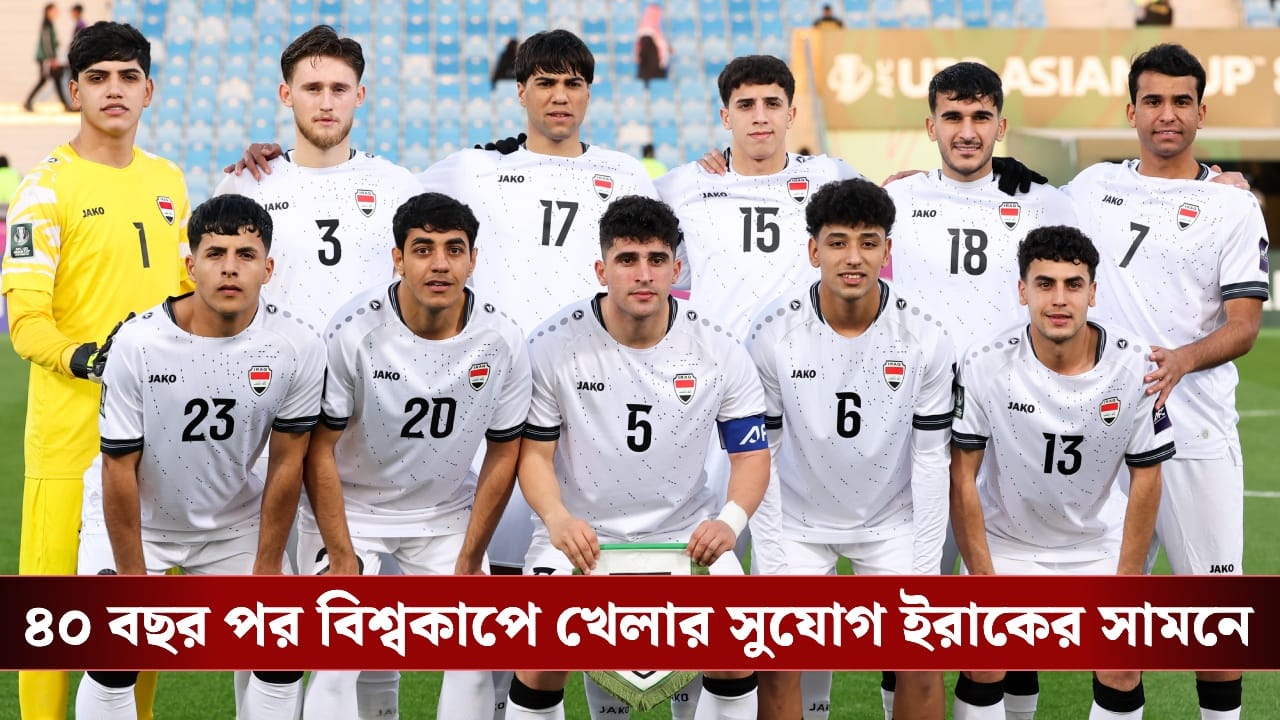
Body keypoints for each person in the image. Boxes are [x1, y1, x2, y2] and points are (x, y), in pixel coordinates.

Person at [1062, 43, 1270, 720]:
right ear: (1131, 112)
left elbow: (1244, 325)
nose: (1167, 114)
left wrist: (1180, 360)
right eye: (1153, 101)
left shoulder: (1232, 206)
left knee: (1217, 631)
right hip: (1102, 438)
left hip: (1193, 433)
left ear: (1202, 112)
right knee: (1114, 638)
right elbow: (1007, 193)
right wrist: (916, 180)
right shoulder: (1090, 188)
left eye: (1182, 101)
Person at [506, 194, 769, 720]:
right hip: (581, 536)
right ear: (602, 269)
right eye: (627, 259)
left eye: (656, 259)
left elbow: (752, 455)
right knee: (539, 656)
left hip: (685, 536)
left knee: (737, 648)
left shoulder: (719, 348)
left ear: (676, 268)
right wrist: (557, 520)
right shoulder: (552, 345)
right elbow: (533, 455)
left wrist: (730, 521)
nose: (643, 274)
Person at [657, 53, 863, 720]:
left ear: (791, 112)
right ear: (725, 116)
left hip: (801, 405)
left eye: (772, 103)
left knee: (797, 585)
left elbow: (904, 202)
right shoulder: (683, 187)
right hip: (706, 402)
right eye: (745, 105)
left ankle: (812, 710)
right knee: (697, 567)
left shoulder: (829, 178)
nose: (760, 116)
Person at [74, 193, 327, 718]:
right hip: (136, 519)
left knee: (281, 651)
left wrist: (266, 569)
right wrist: (132, 580)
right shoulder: (139, 342)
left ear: (268, 269)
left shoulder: (298, 346)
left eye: (246, 255)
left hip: (233, 521)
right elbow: (118, 466)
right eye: (215, 254)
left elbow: (288, 463)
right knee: (114, 652)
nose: (230, 268)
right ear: (191, 266)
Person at [2, 21, 189, 719]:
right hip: (70, 440)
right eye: (99, 77)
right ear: (74, 91)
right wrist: (85, 358)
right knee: (53, 619)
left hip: (156, 439)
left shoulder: (169, 181)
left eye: (128, 77)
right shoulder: (45, 188)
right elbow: (26, 319)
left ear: (149, 90)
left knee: (140, 618)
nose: (115, 90)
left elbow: (187, 296)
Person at [300, 192, 532, 720]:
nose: (440, 264)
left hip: (443, 511)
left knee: (472, 654)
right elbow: (318, 450)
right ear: (398, 259)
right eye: (423, 249)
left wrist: (471, 559)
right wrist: (341, 555)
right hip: (352, 510)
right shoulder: (353, 330)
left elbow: (504, 454)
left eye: (454, 249)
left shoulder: (502, 339)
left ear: (473, 260)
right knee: (337, 656)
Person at [745, 178, 953, 720]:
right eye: (837, 242)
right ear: (814, 250)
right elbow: (760, 457)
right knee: (776, 660)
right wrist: (771, 563)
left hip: (892, 521)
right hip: (796, 522)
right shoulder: (771, 335)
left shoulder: (926, 336)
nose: (853, 257)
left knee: (922, 660)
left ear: (888, 250)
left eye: (868, 242)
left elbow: (932, 461)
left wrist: (925, 571)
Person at [949, 225, 1173, 720]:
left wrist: (1127, 583)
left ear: (1093, 292)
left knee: (1122, 664)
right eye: (1045, 283)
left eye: (1073, 285)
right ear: (1022, 290)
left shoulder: (1136, 364)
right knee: (983, 660)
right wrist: (982, 580)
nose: (1059, 299)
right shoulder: (985, 363)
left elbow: (1148, 477)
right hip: (1007, 540)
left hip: (1097, 541)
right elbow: (961, 477)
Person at [217, 24, 422, 336]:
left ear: (359, 95)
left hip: (370, 363)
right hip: (276, 361)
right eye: (312, 88)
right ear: (286, 94)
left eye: (339, 89)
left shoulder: (399, 186)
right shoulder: (246, 185)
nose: (326, 103)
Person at [23, 3, 74, 112]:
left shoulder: (50, 24)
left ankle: (65, 105)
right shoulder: (47, 24)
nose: (56, 13)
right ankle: (27, 102)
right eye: (54, 11)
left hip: (48, 58)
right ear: (48, 11)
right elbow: (46, 43)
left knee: (56, 79)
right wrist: (51, 59)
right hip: (46, 59)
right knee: (44, 80)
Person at [635, 3, 669, 87]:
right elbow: (645, 54)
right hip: (651, 73)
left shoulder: (654, 32)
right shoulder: (646, 33)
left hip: (655, 71)